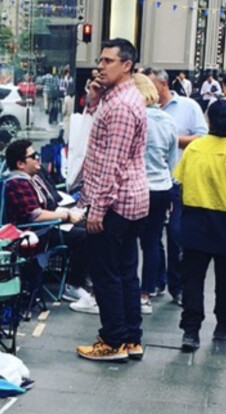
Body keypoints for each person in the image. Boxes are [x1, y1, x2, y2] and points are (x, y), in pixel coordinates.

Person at [75, 38, 148, 362]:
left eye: (108, 61)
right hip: (129, 200)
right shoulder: (119, 97)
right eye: (100, 60)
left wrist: (97, 209)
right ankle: (131, 339)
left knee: (107, 275)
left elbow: (111, 164)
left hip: (115, 203)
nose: (100, 67)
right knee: (126, 272)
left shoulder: (120, 106)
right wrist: (93, 101)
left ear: (126, 65)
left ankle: (112, 340)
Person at [173, 100, 226, 351]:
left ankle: (190, 331)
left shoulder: (194, 148)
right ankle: (225, 324)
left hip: (194, 219)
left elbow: (181, 182)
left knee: (193, 279)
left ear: (208, 120)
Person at [3, 139, 92, 311]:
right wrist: (67, 216)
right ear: (20, 164)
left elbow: (50, 204)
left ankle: (82, 279)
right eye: (33, 156)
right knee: (84, 235)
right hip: (35, 233)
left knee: (89, 226)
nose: (38, 158)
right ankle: (74, 285)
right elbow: (35, 215)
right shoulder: (16, 183)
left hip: (48, 226)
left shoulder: (33, 178)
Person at [145, 68, 208, 306]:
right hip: (151, 181)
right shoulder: (143, 110)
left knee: (175, 233)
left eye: (150, 85)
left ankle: (177, 285)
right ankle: (156, 280)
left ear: (163, 85)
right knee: (151, 236)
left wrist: (171, 137)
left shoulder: (188, 107)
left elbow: (202, 137)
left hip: (179, 180)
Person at [134, 74, 177, 316]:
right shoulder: (168, 120)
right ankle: (146, 294)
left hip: (137, 186)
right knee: (152, 242)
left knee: (129, 240)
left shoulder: (135, 117)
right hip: (161, 187)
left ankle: (129, 289)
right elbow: (172, 160)